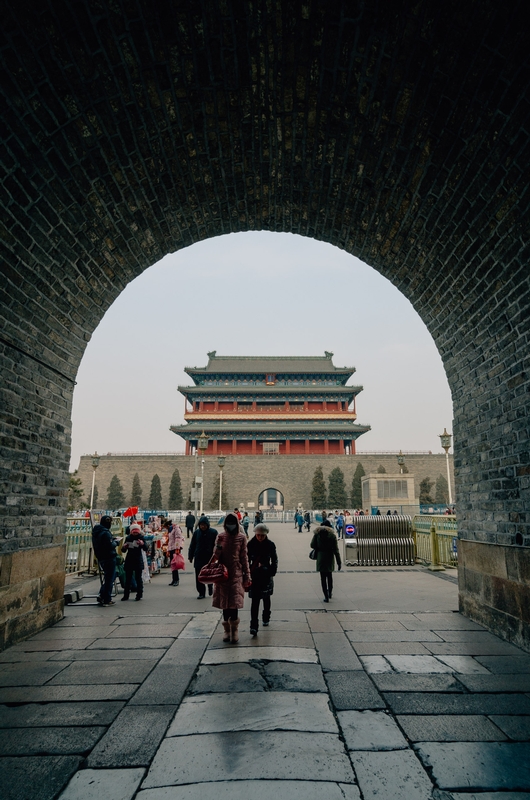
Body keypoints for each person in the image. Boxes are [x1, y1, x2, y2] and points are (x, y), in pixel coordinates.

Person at [212, 512, 250, 643]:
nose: (231, 525)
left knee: (234, 603)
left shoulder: (241, 538)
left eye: (233, 523)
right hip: (223, 574)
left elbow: (244, 557)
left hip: (236, 573)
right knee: (224, 604)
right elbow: (216, 556)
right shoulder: (221, 536)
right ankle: (227, 630)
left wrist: (247, 575)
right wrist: (218, 547)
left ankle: (234, 630)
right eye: (228, 523)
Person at [247, 523, 278, 637]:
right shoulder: (250, 544)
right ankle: (253, 625)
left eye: (262, 536)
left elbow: (274, 559)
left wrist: (271, 571)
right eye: (258, 535)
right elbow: (246, 559)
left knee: (266, 597)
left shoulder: (270, 545)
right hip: (254, 575)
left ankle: (266, 617)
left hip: (266, 574)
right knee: (255, 601)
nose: (260, 537)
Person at [310, 522, 341, 603]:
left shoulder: (317, 534)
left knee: (323, 577)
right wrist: (339, 562)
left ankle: (326, 596)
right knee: (329, 576)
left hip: (321, 557)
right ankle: (330, 592)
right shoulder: (332, 536)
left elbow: (312, 545)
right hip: (329, 557)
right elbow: (336, 550)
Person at [92, 515, 118, 606]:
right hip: (109, 556)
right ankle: (106, 597)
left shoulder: (96, 531)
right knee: (110, 578)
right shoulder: (106, 533)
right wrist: (116, 542)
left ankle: (102, 594)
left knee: (108, 577)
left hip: (101, 556)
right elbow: (110, 545)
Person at [189, 515, 218, 598]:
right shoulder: (196, 533)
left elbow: (218, 545)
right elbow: (192, 545)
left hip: (209, 558)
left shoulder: (213, 532)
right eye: (201, 525)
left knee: (209, 575)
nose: (203, 526)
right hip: (198, 557)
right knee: (199, 576)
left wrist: (217, 556)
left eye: (204, 525)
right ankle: (201, 593)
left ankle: (210, 586)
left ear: (207, 525)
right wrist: (190, 556)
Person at [121, 523, 148, 601]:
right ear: (131, 531)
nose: (135, 532)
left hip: (138, 559)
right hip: (129, 559)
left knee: (138, 578)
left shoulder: (141, 538)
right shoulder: (128, 538)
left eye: (136, 531)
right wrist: (124, 547)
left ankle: (139, 594)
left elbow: (146, 548)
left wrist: (142, 544)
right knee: (128, 579)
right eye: (133, 531)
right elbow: (123, 550)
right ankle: (126, 595)